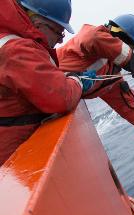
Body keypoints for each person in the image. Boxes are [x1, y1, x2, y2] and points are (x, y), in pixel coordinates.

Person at [57, 14, 134, 148]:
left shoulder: (112, 78)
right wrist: (133, 63)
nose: (131, 52)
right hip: (39, 84)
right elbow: (93, 38)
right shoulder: (92, 36)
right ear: (122, 38)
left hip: (54, 103)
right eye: (131, 48)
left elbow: (130, 109)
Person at [0, 0, 91, 166]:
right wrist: (76, 80)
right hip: (10, 164)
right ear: (38, 21)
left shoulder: (9, 40)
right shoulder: (17, 48)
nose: (60, 41)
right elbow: (61, 98)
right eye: (58, 32)